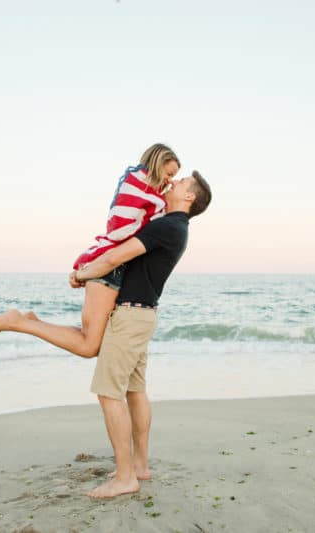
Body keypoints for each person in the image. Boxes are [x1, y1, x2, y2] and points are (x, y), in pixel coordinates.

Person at [72, 171, 212, 498]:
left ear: (189, 197)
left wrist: (82, 274)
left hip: (132, 316)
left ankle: (125, 478)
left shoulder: (166, 226)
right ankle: (139, 466)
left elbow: (115, 256)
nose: (173, 183)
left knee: (109, 393)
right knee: (135, 390)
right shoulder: (175, 228)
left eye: (180, 183)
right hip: (142, 314)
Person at [0, 143, 180, 358]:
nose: (170, 181)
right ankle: (18, 322)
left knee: (92, 341)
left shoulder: (137, 185)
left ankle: (30, 322)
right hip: (109, 269)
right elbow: (122, 231)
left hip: (111, 268)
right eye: (169, 174)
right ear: (157, 163)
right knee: (88, 346)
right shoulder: (143, 189)